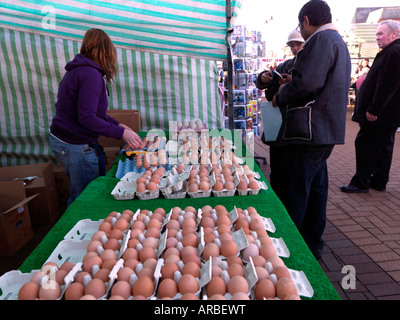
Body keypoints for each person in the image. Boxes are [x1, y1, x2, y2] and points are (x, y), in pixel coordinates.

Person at [270, 0, 351, 259]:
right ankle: (312, 243)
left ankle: (291, 248)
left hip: (307, 131)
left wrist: (281, 93)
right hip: (324, 131)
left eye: (300, 26)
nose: (300, 32)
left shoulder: (321, 40)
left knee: (296, 190)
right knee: (316, 189)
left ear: (306, 20)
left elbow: (308, 84)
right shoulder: (337, 41)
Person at [49, 28, 142, 206]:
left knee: (84, 195)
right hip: (73, 144)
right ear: (106, 51)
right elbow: (87, 118)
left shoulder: (81, 70)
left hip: (66, 140)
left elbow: (95, 113)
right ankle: (76, 230)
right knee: (85, 199)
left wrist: (119, 125)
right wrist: (120, 133)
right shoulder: (90, 74)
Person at [341, 20, 400, 193]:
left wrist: (374, 109)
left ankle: (361, 182)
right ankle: (379, 181)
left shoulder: (394, 52)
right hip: (386, 115)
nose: (377, 38)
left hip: (381, 115)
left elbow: (387, 85)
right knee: (383, 147)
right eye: (376, 34)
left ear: (394, 34)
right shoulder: (391, 51)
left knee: (365, 144)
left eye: (381, 34)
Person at [255, 29, 304, 192]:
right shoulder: (287, 64)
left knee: (293, 168)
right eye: (292, 45)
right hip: (278, 121)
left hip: (298, 124)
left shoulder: (310, 65)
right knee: (276, 164)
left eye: (298, 44)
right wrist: (263, 77)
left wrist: (287, 88)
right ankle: (278, 192)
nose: (295, 48)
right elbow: (265, 82)